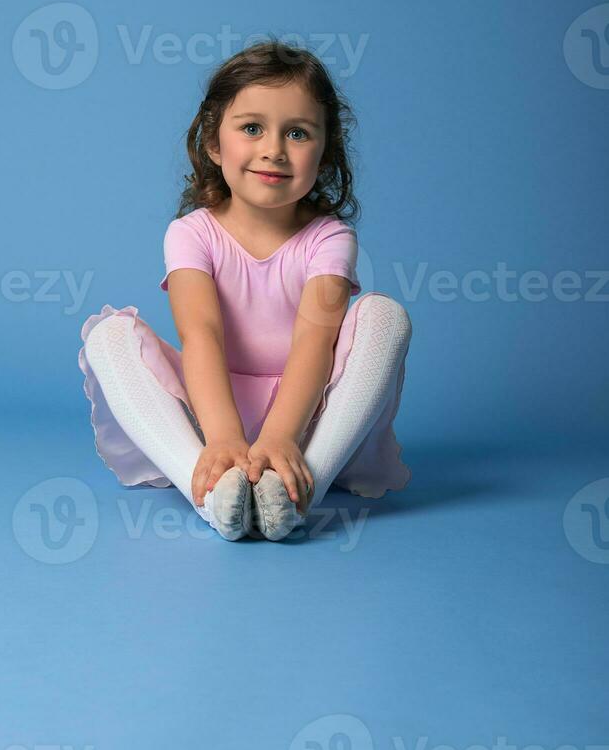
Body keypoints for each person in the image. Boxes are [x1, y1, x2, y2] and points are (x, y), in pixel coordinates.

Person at [78, 39, 413, 542]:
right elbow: (203, 335)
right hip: (210, 415)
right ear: (215, 143)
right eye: (252, 127)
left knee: (386, 314)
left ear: (325, 154)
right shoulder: (191, 233)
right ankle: (212, 488)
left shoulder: (330, 238)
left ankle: (301, 489)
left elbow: (314, 342)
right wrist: (223, 438)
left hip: (311, 418)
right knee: (107, 336)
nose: (273, 149)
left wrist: (281, 436)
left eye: (297, 133)